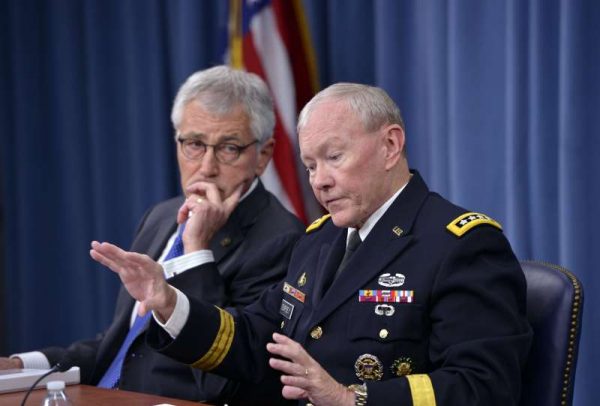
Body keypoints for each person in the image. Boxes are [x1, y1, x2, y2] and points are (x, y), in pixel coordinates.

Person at [91, 83, 533, 405]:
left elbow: (485, 386)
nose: (319, 181)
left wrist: (349, 399)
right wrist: (169, 302)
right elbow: (252, 341)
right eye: (309, 165)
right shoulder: (320, 240)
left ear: (390, 145)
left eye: (334, 157)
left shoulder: (462, 243)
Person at [0, 66, 304, 402]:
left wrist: (196, 252)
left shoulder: (282, 240)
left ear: (262, 155)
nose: (206, 166)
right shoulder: (161, 217)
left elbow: (223, 377)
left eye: (229, 148)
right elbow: (123, 349)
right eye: (194, 144)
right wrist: (20, 365)